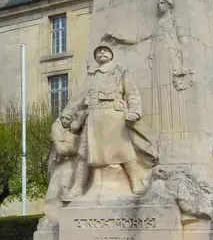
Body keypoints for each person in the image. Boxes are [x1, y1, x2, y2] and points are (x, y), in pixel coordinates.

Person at [64, 44, 157, 198]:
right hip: (93, 116)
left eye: (105, 50)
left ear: (112, 54)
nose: (102, 52)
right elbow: (79, 97)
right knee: (84, 152)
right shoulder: (92, 75)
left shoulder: (121, 71)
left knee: (124, 149)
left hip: (115, 114)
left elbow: (132, 92)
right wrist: (67, 114)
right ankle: (78, 187)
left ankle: (136, 182)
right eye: (98, 51)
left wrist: (134, 111)